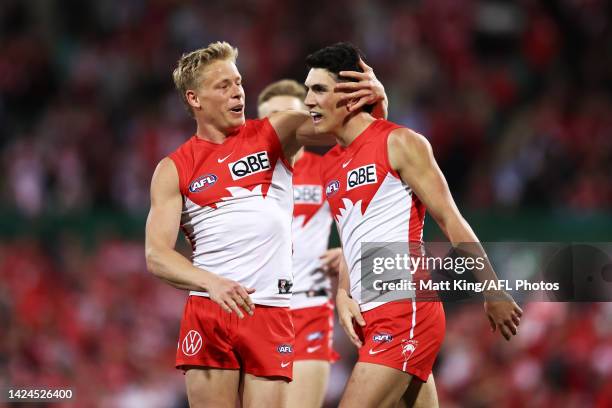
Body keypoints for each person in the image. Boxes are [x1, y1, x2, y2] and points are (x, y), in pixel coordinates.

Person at [144, 41, 386, 408]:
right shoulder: (173, 168)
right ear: (194, 99)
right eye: (222, 85)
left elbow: (361, 136)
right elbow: (156, 255)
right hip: (210, 312)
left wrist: (376, 100)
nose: (236, 91)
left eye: (238, 82)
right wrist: (212, 283)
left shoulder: (276, 131)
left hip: (271, 310)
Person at [304, 42, 524, 408]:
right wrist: (343, 293)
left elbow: (450, 218)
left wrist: (492, 289)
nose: (308, 101)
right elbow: (354, 235)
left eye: (319, 90)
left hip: (404, 309)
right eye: (307, 90)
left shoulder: (400, 143)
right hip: (372, 318)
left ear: (350, 94)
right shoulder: (328, 166)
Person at [257, 76, 386, 408]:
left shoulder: (328, 166)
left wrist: (346, 252)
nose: (283, 124)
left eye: (290, 115)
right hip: (258, 312)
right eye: (272, 117)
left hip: (308, 308)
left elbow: (370, 211)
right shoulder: (242, 178)